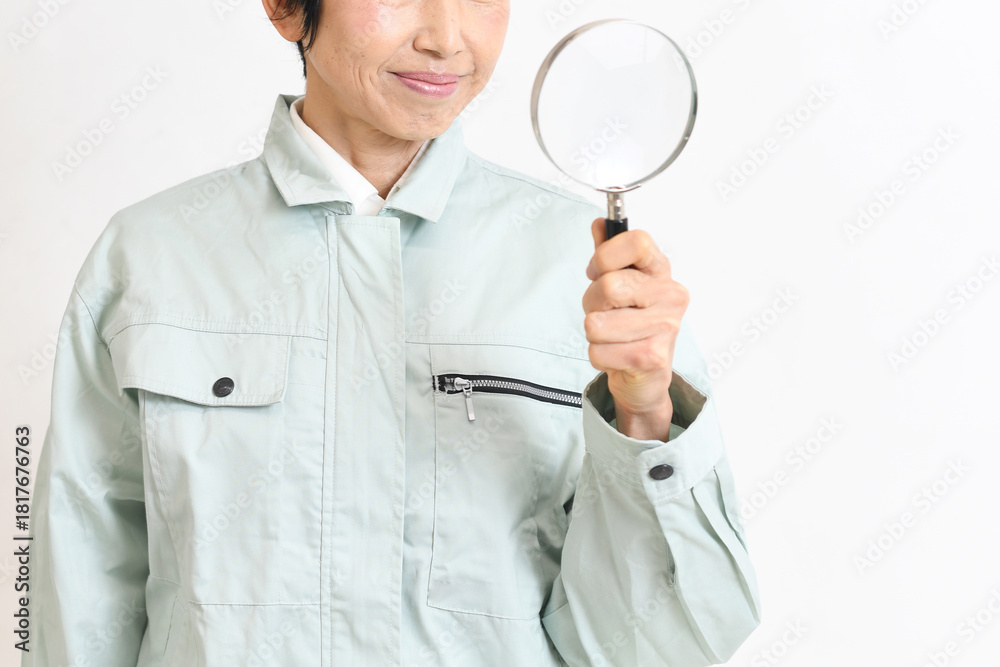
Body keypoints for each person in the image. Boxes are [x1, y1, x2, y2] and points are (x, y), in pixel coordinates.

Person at [24, 1, 761, 665]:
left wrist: (644, 416)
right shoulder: (150, 257)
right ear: (285, 8)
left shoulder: (586, 272)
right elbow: (77, 603)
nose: (446, 37)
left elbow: (666, 643)